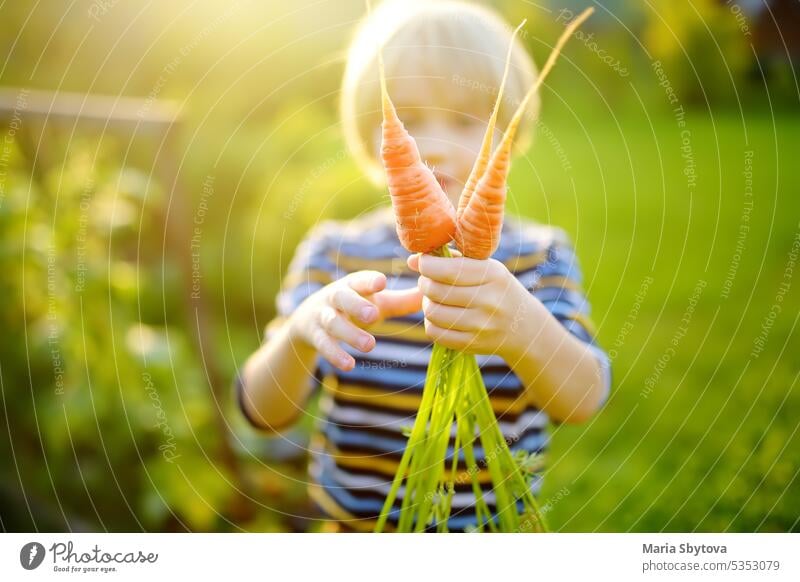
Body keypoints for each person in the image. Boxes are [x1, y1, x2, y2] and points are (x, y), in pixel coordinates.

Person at [236, 0, 611, 532]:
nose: (433, 146)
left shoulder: (540, 258)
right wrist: (300, 334)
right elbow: (263, 411)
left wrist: (522, 327)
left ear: (509, 133)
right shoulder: (334, 256)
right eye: (407, 120)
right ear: (372, 138)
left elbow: (584, 397)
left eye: (464, 120)